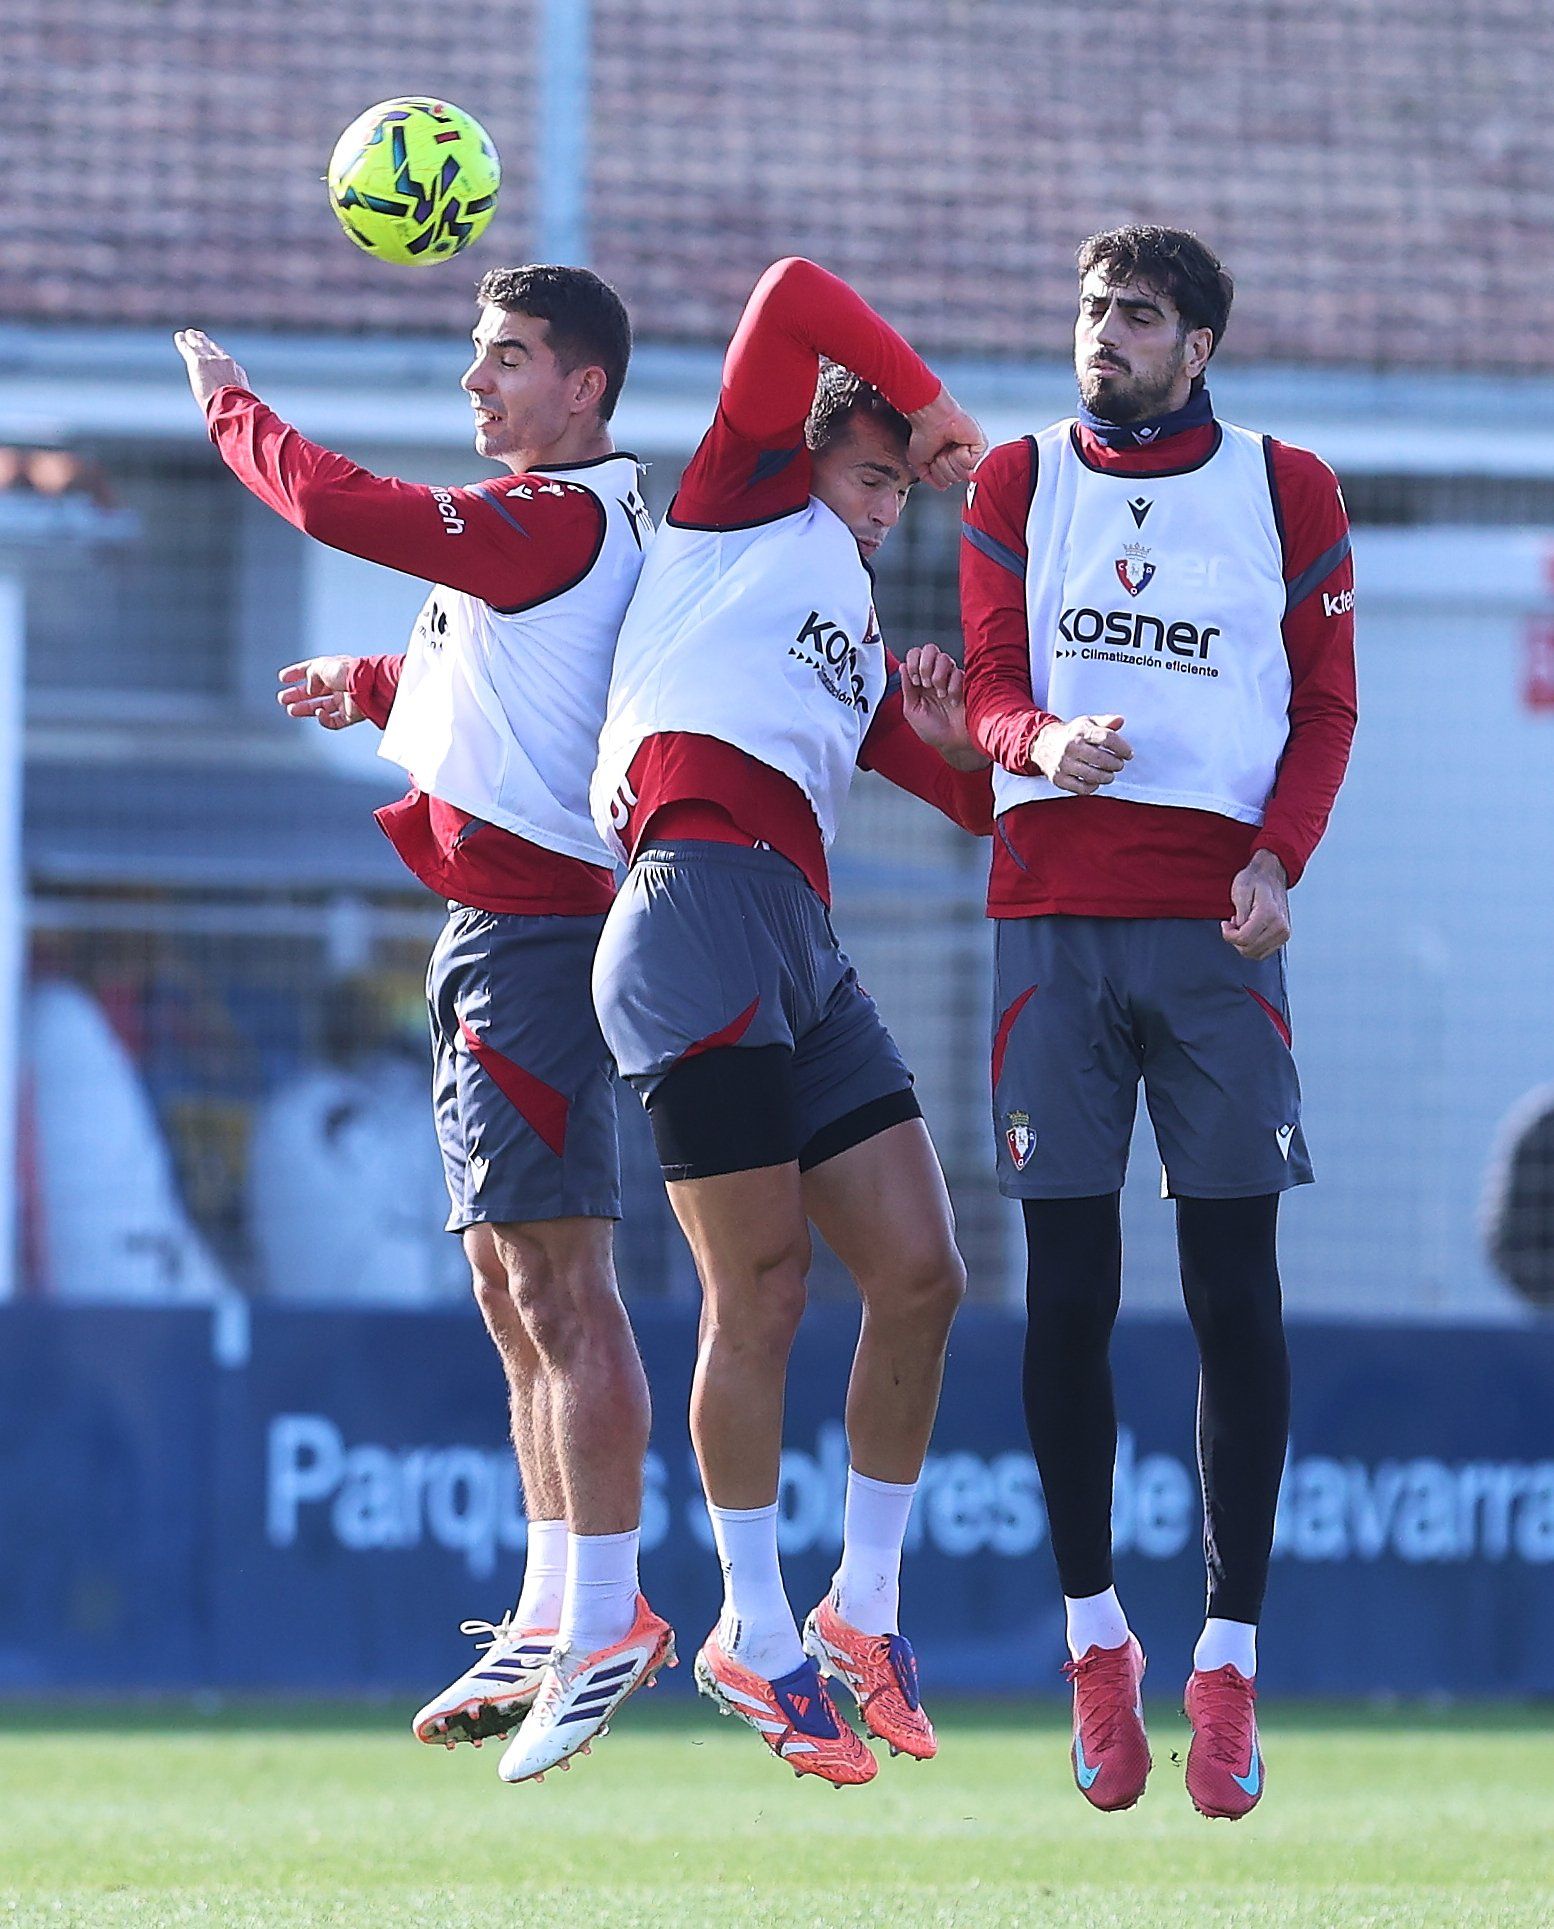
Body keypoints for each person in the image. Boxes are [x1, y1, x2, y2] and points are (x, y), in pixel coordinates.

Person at [174, 265, 671, 1788]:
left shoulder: (557, 515)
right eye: (478, 356)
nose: (478, 384)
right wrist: (372, 678)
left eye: (508, 359)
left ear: (583, 386)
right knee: (507, 1285)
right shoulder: (545, 528)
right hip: (483, 932)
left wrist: (232, 411)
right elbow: (523, 680)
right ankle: (544, 1606)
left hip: (538, 933)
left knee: (563, 1287)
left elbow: (342, 507)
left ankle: (608, 1616)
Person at [573, 257, 988, 1789]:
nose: (888, 506)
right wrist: (937, 402)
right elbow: (792, 291)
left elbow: (969, 803)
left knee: (923, 1273)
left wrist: (963, 743)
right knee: (760, 1289)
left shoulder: (855, 614)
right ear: (802, 447)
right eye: (871, 473)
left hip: (795, 937)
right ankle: (753, 1622)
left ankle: (860, 1608)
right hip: (690, 909)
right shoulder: (740, 500)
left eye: (899, 490)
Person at [960, 225, 1356, 1821]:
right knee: (1063, 1285)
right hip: (1050, 920)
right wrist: (1041, 735)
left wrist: (1278, 858)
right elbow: (987, 686)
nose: (1100, 336)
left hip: (1216, 926)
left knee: (1229, 1287)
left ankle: (1229, 1663)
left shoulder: (1284, 485)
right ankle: (1092, 1643)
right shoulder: (1012, 479)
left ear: (1196, 344)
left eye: (1132, 317)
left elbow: (1323, 708)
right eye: (1087, 311)